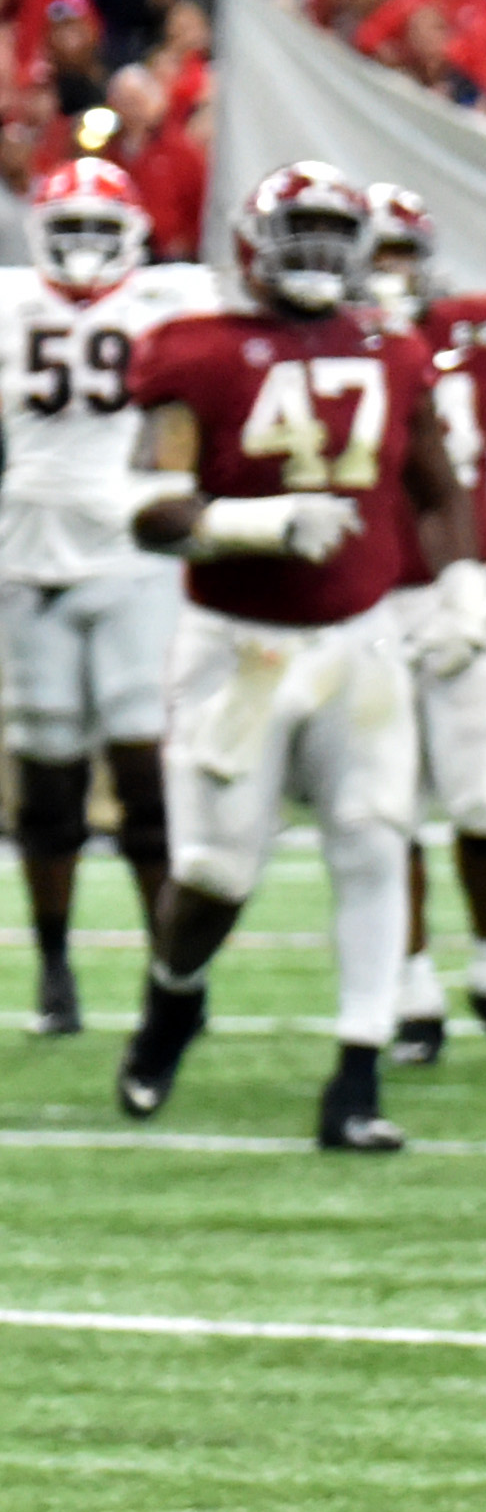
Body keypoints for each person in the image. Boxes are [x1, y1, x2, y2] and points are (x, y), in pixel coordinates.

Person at [112, 162, 483, 1151]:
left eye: (335, 233)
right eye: (300, 232)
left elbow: (441, 487)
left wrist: (457, 586)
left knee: (372, 842)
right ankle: (172, 998)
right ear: (251, 242)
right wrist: (263, 522)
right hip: (239, 649)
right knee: (215, 874)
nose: (319, 254)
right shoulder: (194, 351)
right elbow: (151, 513)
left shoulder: (392, 347)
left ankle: (357, 1077)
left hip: (357, 641)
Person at [2, 156, 213, 1036]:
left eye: (101, 231)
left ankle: (171, 979)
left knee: (147, 782)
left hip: (134, 557)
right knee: (47, 785)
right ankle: (55, 967)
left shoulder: (172, 299)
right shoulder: (10, 304)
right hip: (29, 556)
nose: (85, 251)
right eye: (70, 231)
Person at [363, 184, 486, 1066]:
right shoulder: (316, 345)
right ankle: (410, 987)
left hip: (470, 587)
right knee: (385, 810)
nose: (384, 275)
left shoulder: (479, 335)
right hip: (368, 598)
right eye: (370, 256)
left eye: (398, 253)